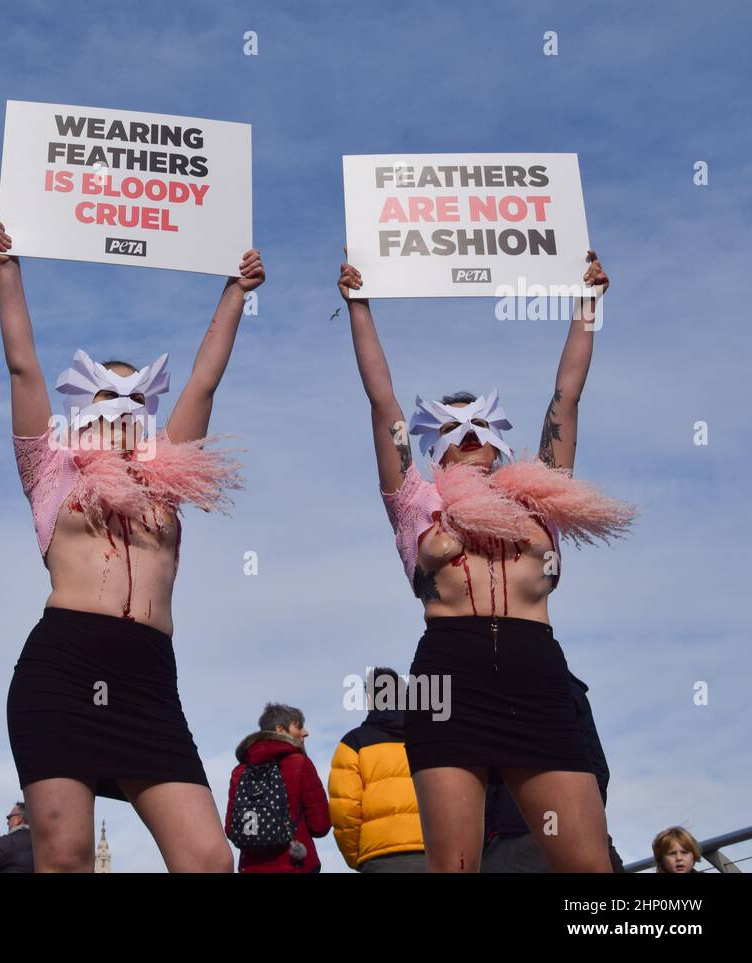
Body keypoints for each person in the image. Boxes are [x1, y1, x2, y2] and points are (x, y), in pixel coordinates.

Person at [341, 249, 635, 872]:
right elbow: (383, 404)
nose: (470, 437)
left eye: (481, 427)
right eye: (454, 431)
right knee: (453, 868)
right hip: (449, 677)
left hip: (537, 672)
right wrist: (359, 306)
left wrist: (587, 304)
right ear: (436, 446)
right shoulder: (416, 502)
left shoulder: (542, 497)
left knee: (589, 870)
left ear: (501, 440)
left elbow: (567, 397)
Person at [0, 219, 263, 872]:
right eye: (103, 398)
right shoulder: (52, 470)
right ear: (80, 409)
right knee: (66, 855)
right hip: (62, 668)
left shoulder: (170, 476)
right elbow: (22, 362)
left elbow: (202, 383)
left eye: (133, 401)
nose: (118, 413)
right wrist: (8, 266)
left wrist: (235, 290)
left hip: (148, 681)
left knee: (207, 858)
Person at [481, 672, 625, 872]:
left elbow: (487, 774)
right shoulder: (570, 690)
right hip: (568, 825)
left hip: (515, 833)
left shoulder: (490, 692)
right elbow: (597, 766)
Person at [328, 668, 426, 872]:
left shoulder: (352, 743)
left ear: (370, 699)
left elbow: (344, 811)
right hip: (432, 852)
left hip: (379, 857)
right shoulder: (430, 738)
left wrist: (356, 856)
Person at [225, 703, 331, 872]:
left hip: (251, 867)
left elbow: (231, 830)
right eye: (299, 726)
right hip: (296, 865)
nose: (305, 732)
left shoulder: (240, 771)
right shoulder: (299, 763)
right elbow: (320, 826)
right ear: (280, 730)